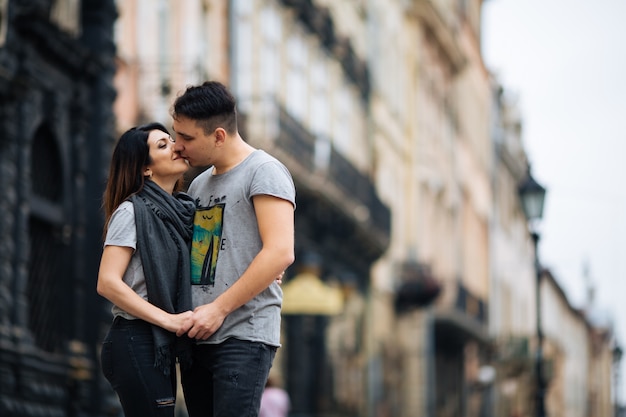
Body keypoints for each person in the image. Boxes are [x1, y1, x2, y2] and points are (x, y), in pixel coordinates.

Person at [171, 81, 296, 417]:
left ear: (219, 136)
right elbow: (205, 257)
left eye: (187, 138)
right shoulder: (199, 184)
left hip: (243, 333)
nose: (178, 147)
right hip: (198, 335)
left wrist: (219, 309)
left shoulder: (264, 172)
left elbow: (280, 252)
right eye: (175, 134)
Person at [97, 122, 196, 417]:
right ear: (145, 169)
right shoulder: (131, 211)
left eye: (172, 140)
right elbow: (107, 282)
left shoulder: (182, 211)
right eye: (163, 145)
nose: (177, 146)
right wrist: (169, 320)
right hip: (135, 339)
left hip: (158, 343)